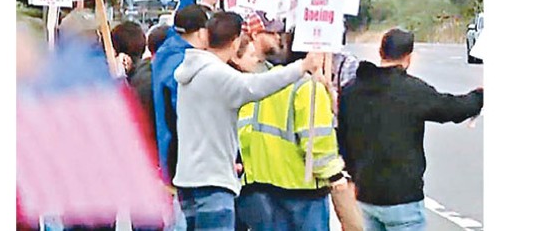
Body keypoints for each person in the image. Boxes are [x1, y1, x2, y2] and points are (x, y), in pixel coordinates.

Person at [172, 12, 324, 231]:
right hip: (212, 184)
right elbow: (257, 86)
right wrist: (302, 66)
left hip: (188, 180)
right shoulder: (216, 74)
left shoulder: (190, 71)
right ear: (235, 42)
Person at [336, 28, 484, 231]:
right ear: (408, 57)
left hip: (366, 194)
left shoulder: (351, 90)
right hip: (402, 197)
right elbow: (451, 109)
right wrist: (478, 96)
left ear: (380, 53)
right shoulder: (412, 90)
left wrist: (354, 175)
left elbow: (342, 139)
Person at [233, 29, 360, 231]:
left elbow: (244, 132)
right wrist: (335, 175)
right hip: (302, 192)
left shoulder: (263, 81)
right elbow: (318, 144)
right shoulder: (309, 89)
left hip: (260, 187)